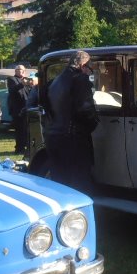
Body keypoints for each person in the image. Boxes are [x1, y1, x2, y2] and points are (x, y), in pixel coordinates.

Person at [41, 50, 99, 192]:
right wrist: (93, 123)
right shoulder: (80, 80)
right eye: (89, 69)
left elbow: (45, 106)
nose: (89, 72)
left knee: (60, 181)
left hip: (53, 136)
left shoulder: (54, 82)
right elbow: (85, 109)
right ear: (83, 65)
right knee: (80, 182)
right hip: (74, 138)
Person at [7, 64, 30, 154]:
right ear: (16, 71)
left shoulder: (27, 80)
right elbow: (12, 91)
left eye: (23, 70)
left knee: (27, 129)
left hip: (27, 107)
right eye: (19, 69)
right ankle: (19, 148)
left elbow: (29, 93)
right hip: (17, 109)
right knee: (20, 129)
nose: (21, 71)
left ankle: (27, 146)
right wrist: (22, 84)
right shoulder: (12, 79)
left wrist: (31, 85)